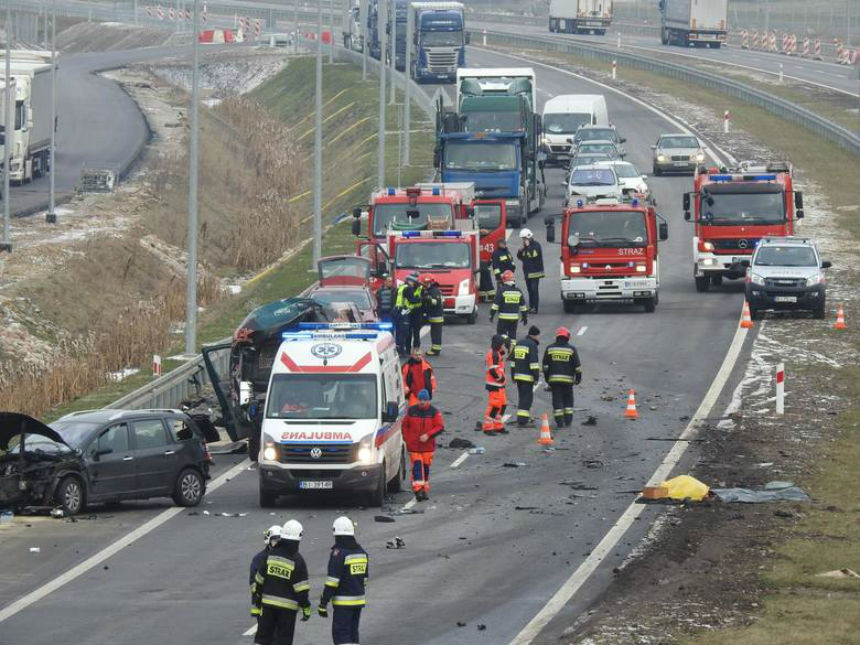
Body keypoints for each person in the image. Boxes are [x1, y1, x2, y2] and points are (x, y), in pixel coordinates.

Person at [251, 519, 312, 645]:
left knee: (262, 638)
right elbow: (301, 589)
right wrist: (306, 607)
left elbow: (259, 580)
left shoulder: (271, 555)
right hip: (287, 610)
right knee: (283, 640)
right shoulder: (297, 560)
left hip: (267, 606)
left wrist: (257, 600)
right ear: (299, 537)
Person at [317, 516, 369, 645]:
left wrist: (323, 603)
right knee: (352, 634)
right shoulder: (362, 552)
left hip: (343, 603)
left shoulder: (339, 554)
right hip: (358, 601)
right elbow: (365, 580)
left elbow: (332, 581)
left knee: (341, 635)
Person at [401, 389, 445, 501]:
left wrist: (428, 435)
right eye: (420, 399)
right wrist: (407, 439)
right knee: (417, 467)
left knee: (425, 468)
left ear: (428, 400)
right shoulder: (411, 411)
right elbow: (404, 426)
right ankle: (418, 490)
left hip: (428, 447)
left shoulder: (434, 412)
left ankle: (424, 490)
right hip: (414, 446)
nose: (422, 402)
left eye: (424, 400)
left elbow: (440, 427)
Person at [542, 327, 582, 428]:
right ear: (567, 337)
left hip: (554, 381)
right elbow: (577, 366)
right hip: (568, 381)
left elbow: (545, 366)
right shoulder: (571, 349)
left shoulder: (550, 348)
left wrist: (547, 379)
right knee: (568, 399)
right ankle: (568, 420)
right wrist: (578, 379)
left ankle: (559, 422)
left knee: (557, 400)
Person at [250, 525, 283, 632]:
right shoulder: (259, 559)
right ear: (269, 541)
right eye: (275, 541)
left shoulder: (288, 558)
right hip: (264, 605)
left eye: (280, 541)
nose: (277, 543)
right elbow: (253, 582)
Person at [511, 326, 541, 427]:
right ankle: (523, 421)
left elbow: (513, 361)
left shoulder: (519, 343)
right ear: (535, 335)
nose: (539, 338)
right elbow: (534, 363)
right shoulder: (532, 345)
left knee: (522, 397)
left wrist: (513, 375)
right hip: (527, 377)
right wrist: (536, 377)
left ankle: (522, 418)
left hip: (518, 376)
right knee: (527, 398)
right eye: (539, 336)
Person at [481, 334, 508, 435]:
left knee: (503, 405)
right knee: (494, 406)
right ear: (498, 344)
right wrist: (500, 379)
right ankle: (487, 427)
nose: (503, 346)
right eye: (502, 344)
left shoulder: (496, 352)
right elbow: (493, 370)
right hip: (495, 384)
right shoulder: (493, 354)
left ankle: (497, 425)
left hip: (499, 385)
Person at [489, 270, 528, 341]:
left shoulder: (502, 290)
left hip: (503, 318)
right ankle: (512, 350)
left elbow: (495, 305)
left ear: (504, 280)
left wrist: (491, 315)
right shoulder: (518, 291)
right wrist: (525, 317)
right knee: (513, 335)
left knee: (501, 334)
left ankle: (507, 341)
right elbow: (523, 306)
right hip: (514, 318)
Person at [516, 229, 545, 314]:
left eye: (524, 238)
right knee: (529, 290)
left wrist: (528, 247)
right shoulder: (525, 247)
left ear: (528, 237)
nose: (523, 240)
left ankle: (535, 308)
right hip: (528, 273)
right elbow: (520, 257)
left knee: (534, 290)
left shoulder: (536, 245)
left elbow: (534, 256)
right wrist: (520, 251)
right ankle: (531, 306)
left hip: (535, 273)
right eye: (523, 238)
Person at [394, 273, 423, 354]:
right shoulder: (408, 288)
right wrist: (419, 299)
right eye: (413, 281)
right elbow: (412, 300)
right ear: (411, 281)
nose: (414, 283)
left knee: (406, 331)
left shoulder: (402, 287)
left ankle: (406, 349)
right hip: (406, 312)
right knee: (406, 332)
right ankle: (405, 350)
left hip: (408, 312)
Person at [421, 274, 444, 356]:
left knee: (436, 334)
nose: (425, 285)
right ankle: (434, 349)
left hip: (436, 316)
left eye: (426, 283)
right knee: (434, 333)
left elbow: (436, 302)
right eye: (424, 283)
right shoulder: (430, 290)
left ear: (431, 282)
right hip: (433, 316)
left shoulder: (434, 290)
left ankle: (436, 350)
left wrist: (428, 299)